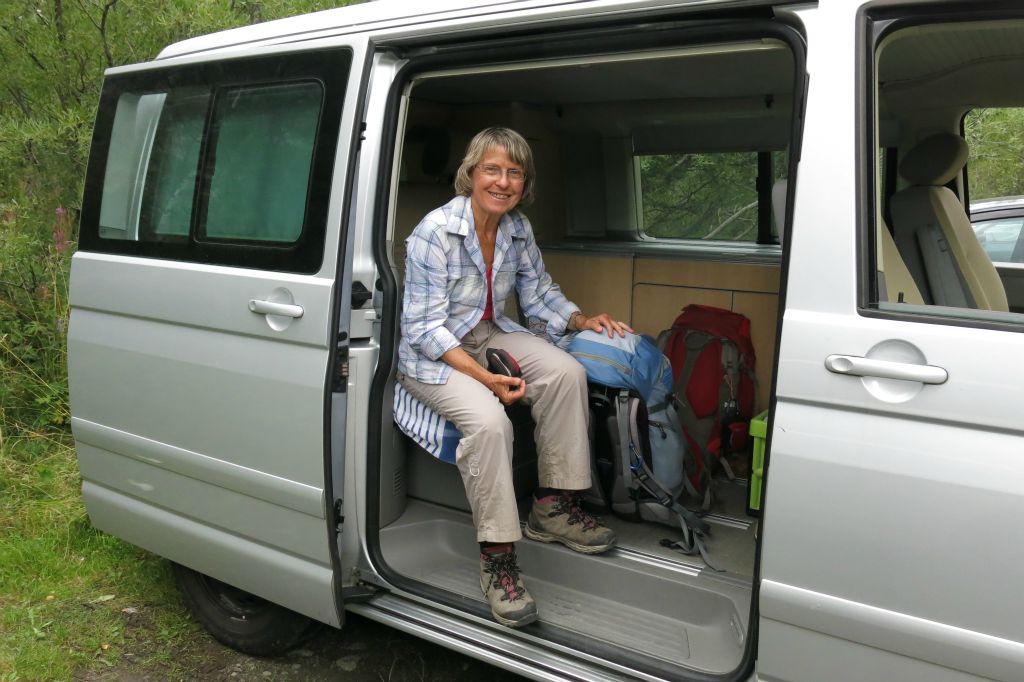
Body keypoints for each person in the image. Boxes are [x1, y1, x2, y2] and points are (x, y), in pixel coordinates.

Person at [397, 127, 634, 627]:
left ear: (524, 183)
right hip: (435, 355)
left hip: (488, 332)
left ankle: (552, 506)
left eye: (514, 173)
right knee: (489, 423)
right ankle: (498, 559)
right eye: (492, 170)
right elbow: (421, 328)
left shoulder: (516, 228)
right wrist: (485, 379)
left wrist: (579, 321)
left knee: (568, 372)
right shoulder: (433, 232)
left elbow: (538, 292)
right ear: (471, 173)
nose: (502, 182)